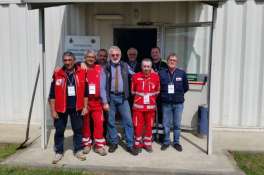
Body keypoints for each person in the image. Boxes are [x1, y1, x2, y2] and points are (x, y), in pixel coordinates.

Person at [48, 51, 88, 164]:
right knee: (59, 131)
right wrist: (53, 110)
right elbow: (52, 95)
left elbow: (86, 92)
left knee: (78, 130)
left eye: (70, 60)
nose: (67, 62)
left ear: (74, 60)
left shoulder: (81, 72)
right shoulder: (57, 73)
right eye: (65, 60)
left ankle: (78, 150)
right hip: (61, 108)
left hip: (77, 107)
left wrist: (85, 107)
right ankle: (59, 152)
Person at [100, 46, 138, 155]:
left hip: (123, 98)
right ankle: (114, 142)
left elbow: (135, 75)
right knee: (111, 121)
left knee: (128, 121)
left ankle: (130, 144)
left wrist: (151, 73)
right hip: (110, 98)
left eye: (117, 55)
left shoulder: (125, 65)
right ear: (110, 56)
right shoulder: (105, 67)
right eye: (113, 55)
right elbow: (102, 86)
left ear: (120, 56)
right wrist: (105, 102)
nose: (115, 56)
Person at [159, 53, 189, 152]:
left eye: (174, 60)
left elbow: (186, 87)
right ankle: (166, 142)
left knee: (177, 124)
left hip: (178, 103)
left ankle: (176, 142)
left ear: (176, 62)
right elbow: (158, 87)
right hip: (166, 103)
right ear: (167, 62)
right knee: (166, 124)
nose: (172, 61)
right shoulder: (162, 73)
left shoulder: (181, 73)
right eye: (170, 60)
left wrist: (177, 95)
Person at [131, 58, 160, 153]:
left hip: (150, 108)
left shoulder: (156, 77)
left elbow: (157, 91)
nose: (146, 68)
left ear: (151, 67)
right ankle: (138, 143)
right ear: (141, 66)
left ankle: (147, 143)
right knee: (138, 125)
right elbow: (133, 91)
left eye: (148, 66)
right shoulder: (135, 76)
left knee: (149, 126)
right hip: (138, 107)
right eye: (144, 66)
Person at [81, 50, 107, 156]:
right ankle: (87, 144)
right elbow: (68, 67)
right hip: (85, 102)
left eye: (92, 57)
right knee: (85, 124)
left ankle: (99, 146)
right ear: (85, 58)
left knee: (99, 124)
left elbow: (103, 87)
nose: (90, 59)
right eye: (88, 57)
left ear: (95, 58)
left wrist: (104, 102)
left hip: (97, 102)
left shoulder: (99, 69)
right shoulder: (80, 68)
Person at [150, 47, 167, 143]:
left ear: (159, 53)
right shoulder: (148, 64)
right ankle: (151, 134)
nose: (154, 54)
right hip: (151, 93)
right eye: (153, 52)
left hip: (161, 93)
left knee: (161, 114)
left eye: (156, 52)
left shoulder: (164, 64)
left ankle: (161, 135)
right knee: (151, 114)